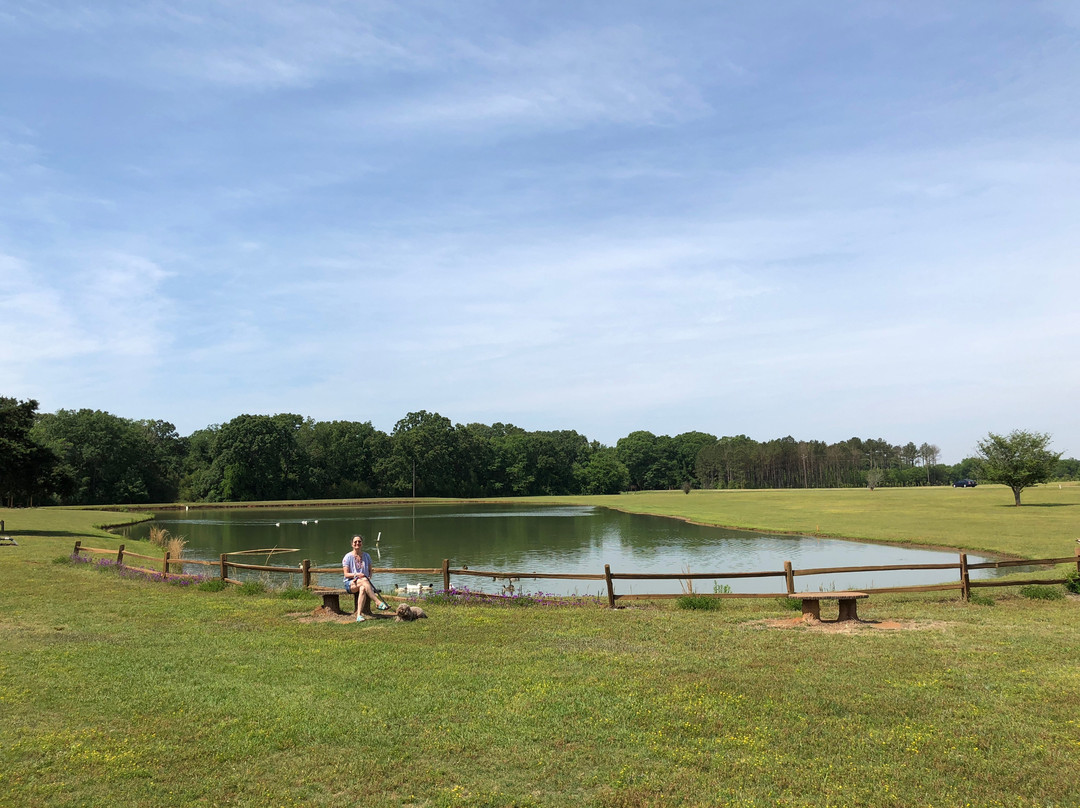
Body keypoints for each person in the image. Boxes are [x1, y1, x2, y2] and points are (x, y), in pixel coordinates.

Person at [342, 534, 390, 621]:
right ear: (352, 544)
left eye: (359, 541)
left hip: (363, 582)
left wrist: (368, 578)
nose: (357, 543)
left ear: (362, 543)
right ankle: (378, 602)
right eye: (355, 542)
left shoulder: (367, 556)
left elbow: (370, 571)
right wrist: (356, 575)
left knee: (363, 588)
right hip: (350, 583)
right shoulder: (348, 557)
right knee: (363, 581)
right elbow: (346, 574)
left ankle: (359, 616)